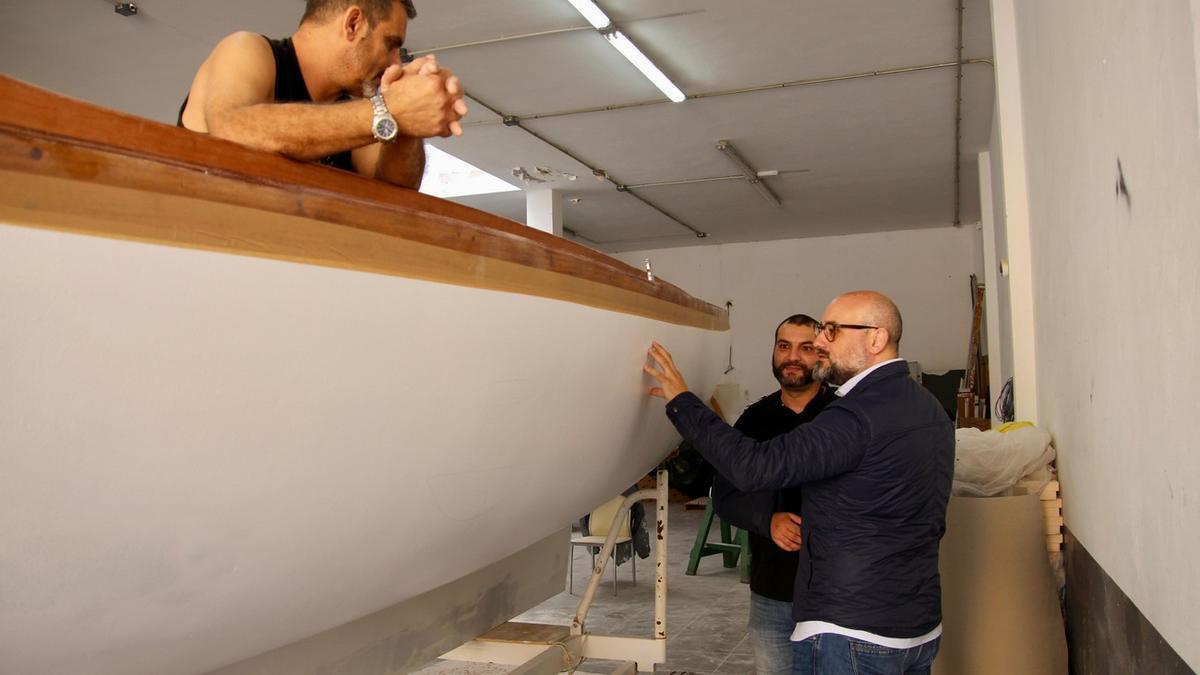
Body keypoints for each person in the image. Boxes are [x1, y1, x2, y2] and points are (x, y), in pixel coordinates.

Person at [645, 291, 954, 675]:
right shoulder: (928, 407)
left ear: (876, 339)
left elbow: (753, 467)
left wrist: (682, 401)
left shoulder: (855, 417)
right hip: (915, 625)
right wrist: (766, 519)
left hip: (854, 631)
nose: (820, 343)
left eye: (831, 332)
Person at [178, 0, 467, 188]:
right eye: (390, 44)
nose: (395, 62)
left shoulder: (356, 109)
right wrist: (389, 110)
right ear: (353, 23)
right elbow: (233, 129)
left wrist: (407, 123)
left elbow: (396, 191)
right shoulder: (247, 50)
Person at [711, 314, 836, 675]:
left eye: (806, 348)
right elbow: (725, 495)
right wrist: (767, 520)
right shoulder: (755, 420)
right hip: (773, 593)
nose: (793, 357)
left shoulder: (843, 415)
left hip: (837, 594)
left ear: (822, 355)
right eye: (784, 346)